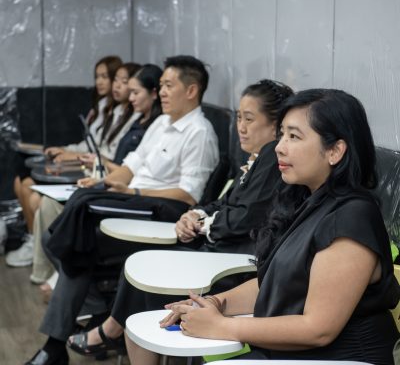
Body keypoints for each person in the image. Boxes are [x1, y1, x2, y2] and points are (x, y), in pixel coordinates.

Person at [131, 89, 400, 365]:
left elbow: (318, 329)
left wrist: (222, 326)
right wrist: (214, 303)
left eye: (294, 136)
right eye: (281, 134)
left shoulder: (352, 217)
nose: (280, 147)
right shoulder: (306, 202)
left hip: (343, 359)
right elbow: (273, 285)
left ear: (335, 151)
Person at [67, 79, 293, 359]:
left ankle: (111, 330)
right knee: (140, 269)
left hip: (235, 262)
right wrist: (195, 214)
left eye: (249, 119)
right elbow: (224, 203)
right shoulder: (257, 158)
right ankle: (112, 330)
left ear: (275, 126)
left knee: (144, 279)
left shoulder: (271, 156)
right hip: (219, 250)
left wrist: (201, 224)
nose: (241, 128)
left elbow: (244, 218)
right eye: (238, 118)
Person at [24, 55, 219, 365]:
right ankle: (102, 313)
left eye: (168, 85)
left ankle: (58, 344)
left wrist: (133, 192)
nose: (162, 92)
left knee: (76, 242)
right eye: (161, 85)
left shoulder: (199, 132)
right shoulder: (161, 123)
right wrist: (105, 184)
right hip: (132, 201)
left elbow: (188, 194)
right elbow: (131, 166)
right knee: (63, 234)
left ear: (191, 90)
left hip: (158, 213)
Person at [30, 64, 163, 289]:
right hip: (118, 186)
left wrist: (109, 176)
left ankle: (62, 277)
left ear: (153, 93)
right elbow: (128, 167)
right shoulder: (146, 124)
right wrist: (102, 179)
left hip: (132, 197)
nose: (129, 96)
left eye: (134, 90)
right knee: (52, 202)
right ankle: (55, 274)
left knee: (59, 207)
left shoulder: (168, 128)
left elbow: (142, 178)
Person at [7, 56, 123, 268]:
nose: (101, 82)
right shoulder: (101, 108)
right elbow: (89, 145)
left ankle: (42, 251)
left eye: (106, 77)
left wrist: (71, 155)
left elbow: (103, 155)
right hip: (87, 166)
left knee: (33, 195)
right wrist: (66, 150)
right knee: (20, 180)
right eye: (97, 77)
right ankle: (33, 240)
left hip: (95, 174)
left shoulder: (122, 115)